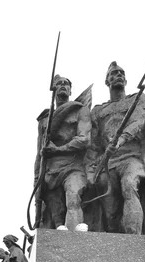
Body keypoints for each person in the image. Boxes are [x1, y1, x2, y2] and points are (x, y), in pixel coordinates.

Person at [86, 62, 145, 235]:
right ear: (107, 81)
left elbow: (138, 122)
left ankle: (134, 240)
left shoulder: (138, 99)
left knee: (129, 184)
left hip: (132, 158)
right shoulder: (98, 111)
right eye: (114, 74)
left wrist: (120, 140)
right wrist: (90, 171)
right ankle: (117, 244)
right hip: (108, 163)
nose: (119, 75)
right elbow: (93, 145)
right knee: (110, 213)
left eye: (122, 73)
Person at [35, 75, 92, 231]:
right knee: (57, 218)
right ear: (53, 89)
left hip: (73, 167)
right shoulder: (44, 119)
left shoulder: (80, 110)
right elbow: (39, 154)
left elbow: (84, 139)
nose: (63, 86)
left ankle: (73, 243)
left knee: (73, 198)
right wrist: (36, 182)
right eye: (59, 84)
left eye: (66, 84)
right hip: (50, 172)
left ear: (70, 89)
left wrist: (59, 149)